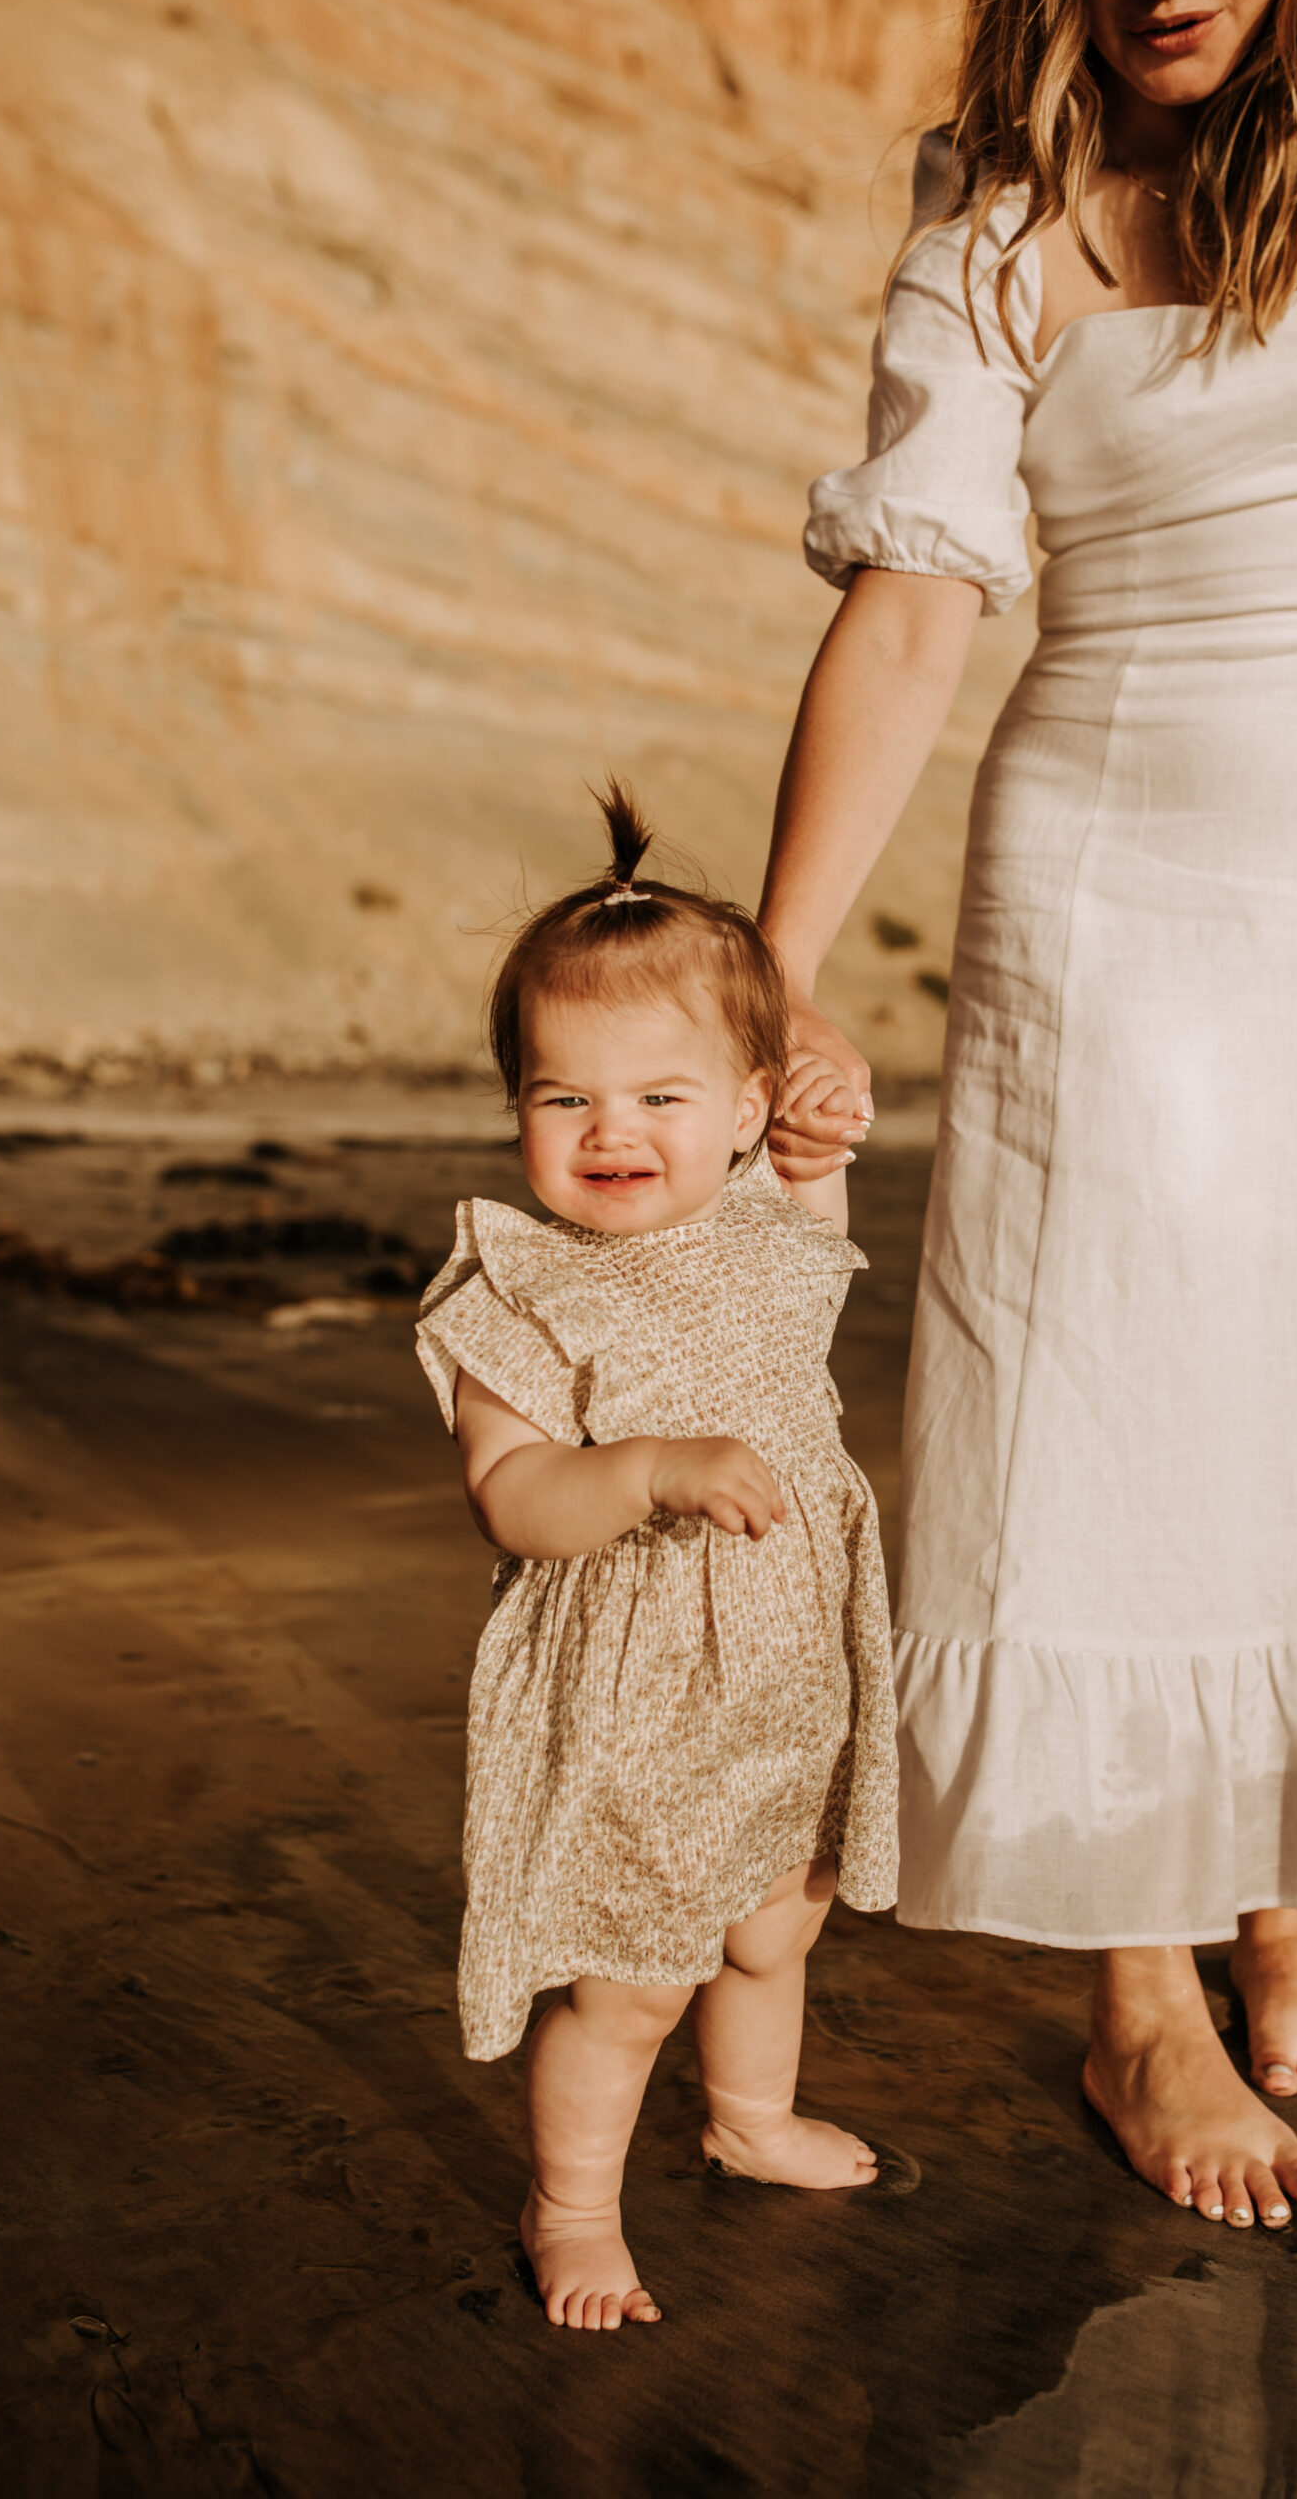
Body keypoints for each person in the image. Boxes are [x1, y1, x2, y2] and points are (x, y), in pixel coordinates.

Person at [757, 0, 1297, 2231]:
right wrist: (777, 960)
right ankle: (1144, 1990)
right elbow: (919, 606)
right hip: (1113, 880)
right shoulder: (996, 229)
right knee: (1119, 1396)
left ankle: (1285, 1903)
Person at [416, 785, 901, 2330]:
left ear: (748, 1109)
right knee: (632, 1972)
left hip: (793, 1663)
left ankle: (751, 2119)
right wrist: (642, 1473)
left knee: (779, 1918)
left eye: (662, 1098)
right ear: (517, 1111)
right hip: (633, 1699)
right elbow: (514, 1499)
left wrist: (825, 1121)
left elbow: (825, 1156)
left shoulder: (773, 1218)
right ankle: (571, 2206)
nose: (612, 1133)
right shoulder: (517, 1282)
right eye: (566, 1101)